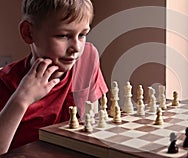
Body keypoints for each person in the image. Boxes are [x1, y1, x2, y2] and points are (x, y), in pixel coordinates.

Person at [0, 0, 108, 154]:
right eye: (63, 36)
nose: (76, 48)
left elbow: (95, 122)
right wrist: (21, 99)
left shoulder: (87, 58)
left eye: (83, 35)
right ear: (28, 33)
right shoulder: (5, 82)